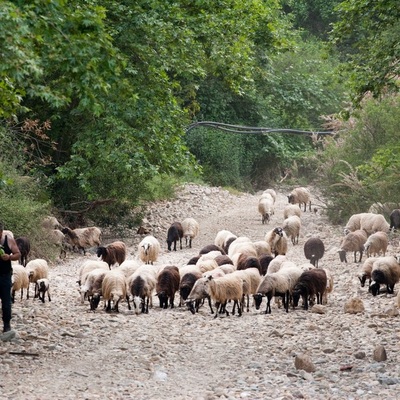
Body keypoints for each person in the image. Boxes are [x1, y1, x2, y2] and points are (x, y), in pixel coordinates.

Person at [0, 223, 20, 333]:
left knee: (6, 301)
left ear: (1, 232)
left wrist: (9, 257)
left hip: (5, 275)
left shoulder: (9, 240)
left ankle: (7, 324)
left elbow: (18, 254)